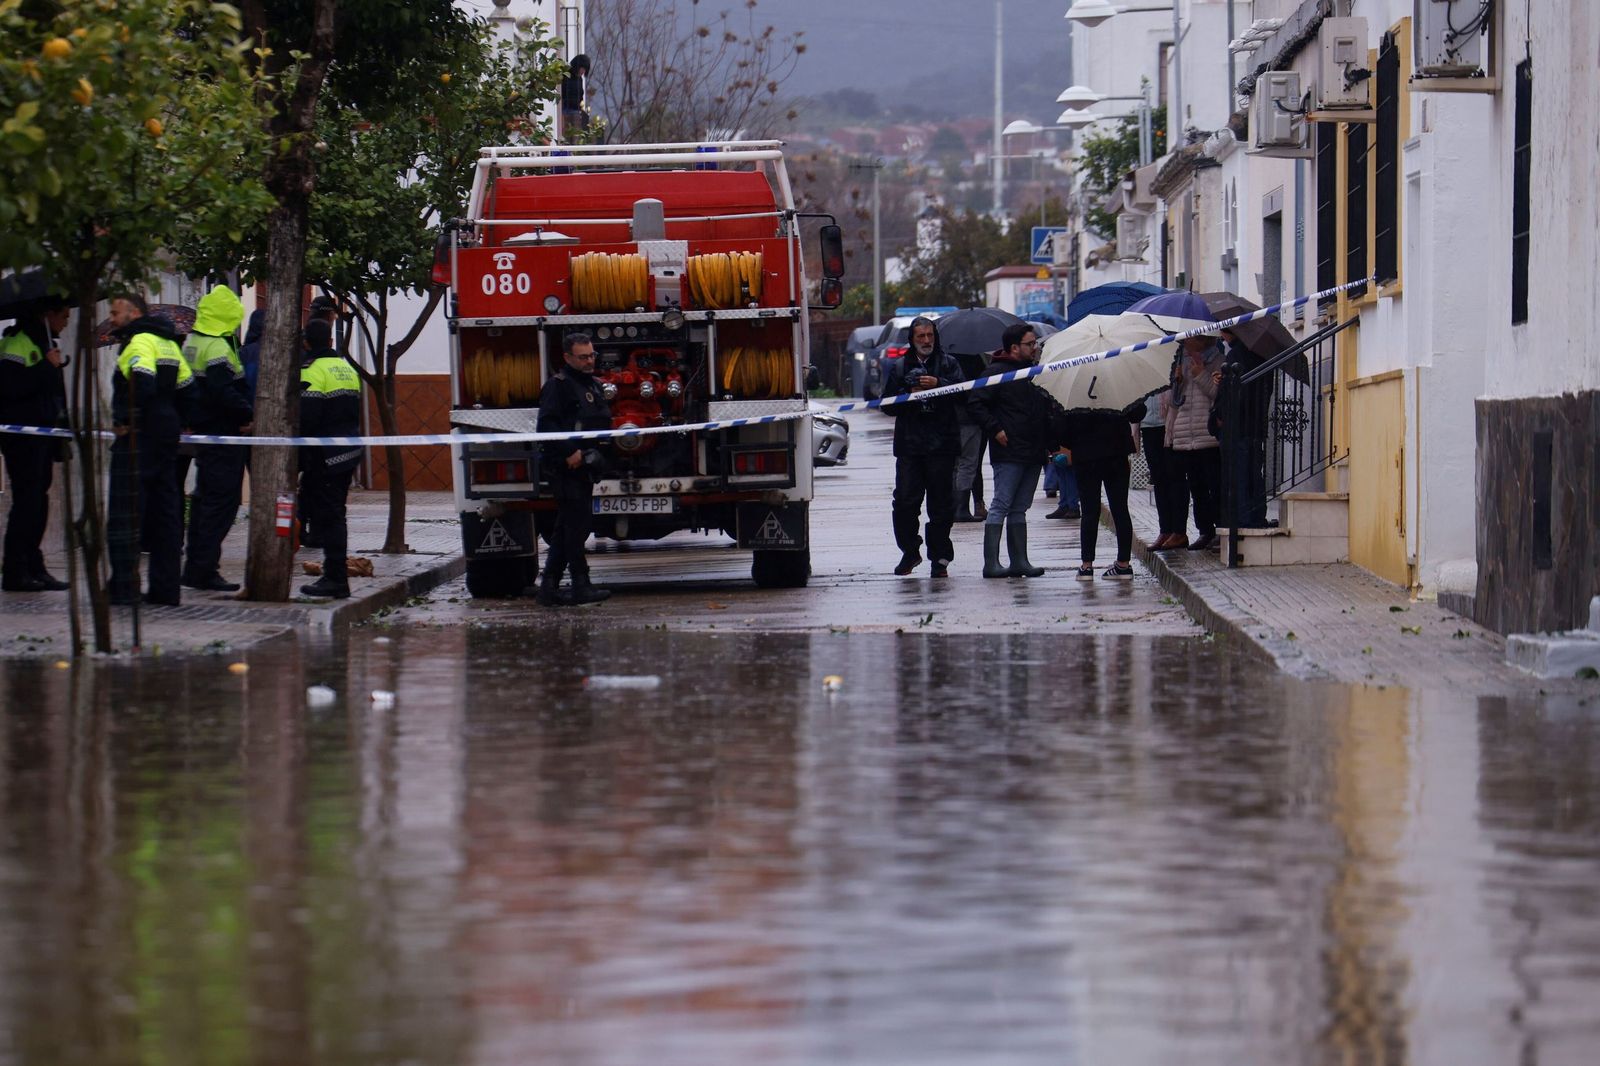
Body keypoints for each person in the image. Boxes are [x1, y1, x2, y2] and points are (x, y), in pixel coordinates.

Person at [107, 294, 193, 606]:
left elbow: (141, 383)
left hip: (138, 437)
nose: (112, 319)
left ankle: (123, 588)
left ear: (134, 313)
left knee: (126, 513)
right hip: (166, 437)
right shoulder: (169, 344)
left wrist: (126, 419)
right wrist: (182, 421)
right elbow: (188, 389)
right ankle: (166, 589)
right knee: (165, 516)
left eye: (115, 312)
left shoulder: (140, 342)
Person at [973, 324, 1062, 578]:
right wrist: (995, 429)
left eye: (1035, 343)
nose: (1035, 348)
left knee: (1020, 506)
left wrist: (1051, 444)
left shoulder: (1034, 373)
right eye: (1030, 344)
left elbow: (1044, 410)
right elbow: (976, 404)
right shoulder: (995, 373)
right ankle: (991, 563)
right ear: (1014, 347)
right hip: (1009, 451)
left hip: (1033, 450)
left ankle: (1019, 560)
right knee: (1001, 503)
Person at [180, 285, 253, 592]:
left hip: (203, 431)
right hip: (224, 434)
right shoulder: (218, 347)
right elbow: (222, 391)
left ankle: (195, 567)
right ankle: (204, 569)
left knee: (203, 499)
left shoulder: (193, 342)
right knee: (222, 502)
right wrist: (247, 414)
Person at [881, 316, 964, 577]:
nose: (926, 341)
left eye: (930, 336)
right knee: (905, 502)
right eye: (921, 336)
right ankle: (909, 551)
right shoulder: (899, 366)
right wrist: (908, 393)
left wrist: (939, 385)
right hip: (910, 446)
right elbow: (887, 405)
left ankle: (939, 557)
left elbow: (965, 393)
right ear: (912, 339)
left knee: (941, 504)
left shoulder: (949, 363)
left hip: (942, 445)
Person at [536, 331, 612, 606]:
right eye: (583, 357)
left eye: (592, 355)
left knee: (567, 527)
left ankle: (549, 586)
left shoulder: (591, 384)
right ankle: (581, 584)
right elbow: (546, 425)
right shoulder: (558, 386)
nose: (589, 361)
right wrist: (570, 451)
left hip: (585, 467)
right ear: (567, 357)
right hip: (566, 467)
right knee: (576, 528)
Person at [0, 296, 71, 591]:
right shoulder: (17, 343)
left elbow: (53, 393)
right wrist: (46, 367)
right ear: (46, 314)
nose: (65, 323)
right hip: (22, 437)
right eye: (63, 316)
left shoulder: (46, 343)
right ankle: (15, 571)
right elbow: (9, 388)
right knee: (26, 502)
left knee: (38, 502)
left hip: (43, 434)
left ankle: (34, 565)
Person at [1063, 399, 1147, 579]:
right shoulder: (1116, 386)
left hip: (1085, 454)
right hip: (1116, 453)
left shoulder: (1077, 390)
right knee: (1120, 508)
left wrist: (1075, 440)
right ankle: (1123, 564)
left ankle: (1086, 566)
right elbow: (1138, 413)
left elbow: (1060, 428)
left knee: (1089, 511)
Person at [1164, 336, 1225, 551]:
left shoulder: (1218, 362)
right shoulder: (1183, 362)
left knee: (1214, 486)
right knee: (1196, 488)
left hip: (1207, 435)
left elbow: (1218, 394)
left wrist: (1200, 375)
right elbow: (1174, 403)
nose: (1184, 343)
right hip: (1185, 436)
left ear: (1200, 340)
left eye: (1188, 339)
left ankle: (1220, 529)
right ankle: (1204, 531)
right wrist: (1177, 382)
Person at [1140, 384, 1188, 550]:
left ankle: (1179, 530)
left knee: (1175, 477)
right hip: (1148, 424)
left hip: (1171, 421)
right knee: (1158, 479)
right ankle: (1165, 529)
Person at [560, 54, 592, 139]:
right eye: (582, 68)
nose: (583, 71)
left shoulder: (579, 79)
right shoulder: (566, 76)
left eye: (585, 69)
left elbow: (580, 95)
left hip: (576, 111)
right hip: (565, 110)